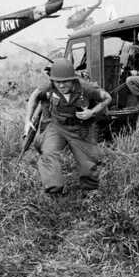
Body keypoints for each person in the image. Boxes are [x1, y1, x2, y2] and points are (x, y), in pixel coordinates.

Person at [24, 58, 112, 195]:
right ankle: (54, 190)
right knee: (48, 153)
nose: (61, 85)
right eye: (58, 82)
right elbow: (34, 96)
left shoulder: (85, 87)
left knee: (87, 165)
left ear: (73, 79)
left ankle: (89, 192)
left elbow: (107, 98)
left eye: (65, 81)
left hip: (80, 129)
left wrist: (92, 112)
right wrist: (28, 120)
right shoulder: (50, 86)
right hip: (57, 127)